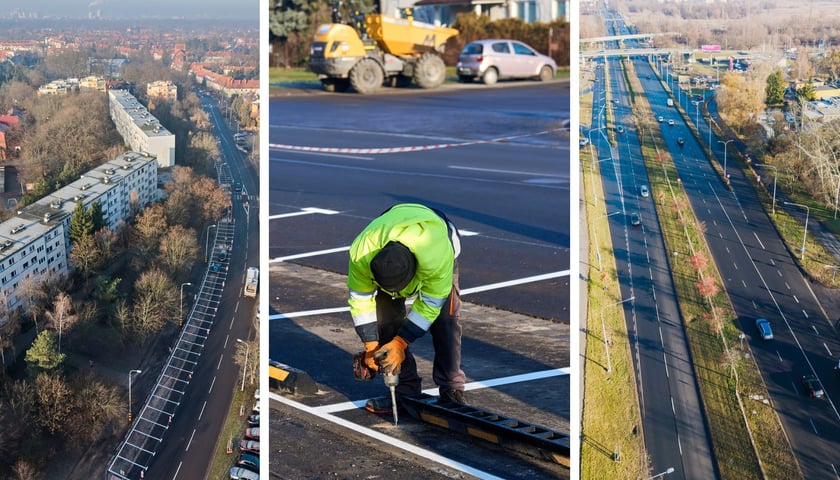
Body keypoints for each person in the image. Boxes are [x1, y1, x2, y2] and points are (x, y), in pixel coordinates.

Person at [347, 203, 466, 413]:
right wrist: (370, 345)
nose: (396, 294)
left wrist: (401, 342)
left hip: (439, 240)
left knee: (446, 322)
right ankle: (405, 390)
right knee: (386, 319)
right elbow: (360, 300)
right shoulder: (362, 254)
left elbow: (430, 305)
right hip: (390, 232)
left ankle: (451, 389)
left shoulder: (436, 258)